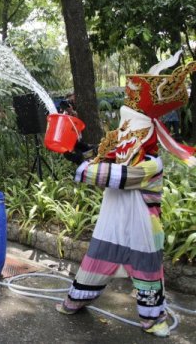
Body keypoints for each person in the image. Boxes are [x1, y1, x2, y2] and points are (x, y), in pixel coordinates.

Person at [58, 60, 196, 338]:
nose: (122, 136)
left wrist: (81, 165)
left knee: (148, 276)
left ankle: (153, 319)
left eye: (128, 131)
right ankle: (74, 301)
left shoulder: (151, 165)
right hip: (113, 226)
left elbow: (115, 175)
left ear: (143, 135)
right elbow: (104, 156)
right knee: (93, 265)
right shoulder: (124, 152)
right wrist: (81, 150)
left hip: (143, 230)